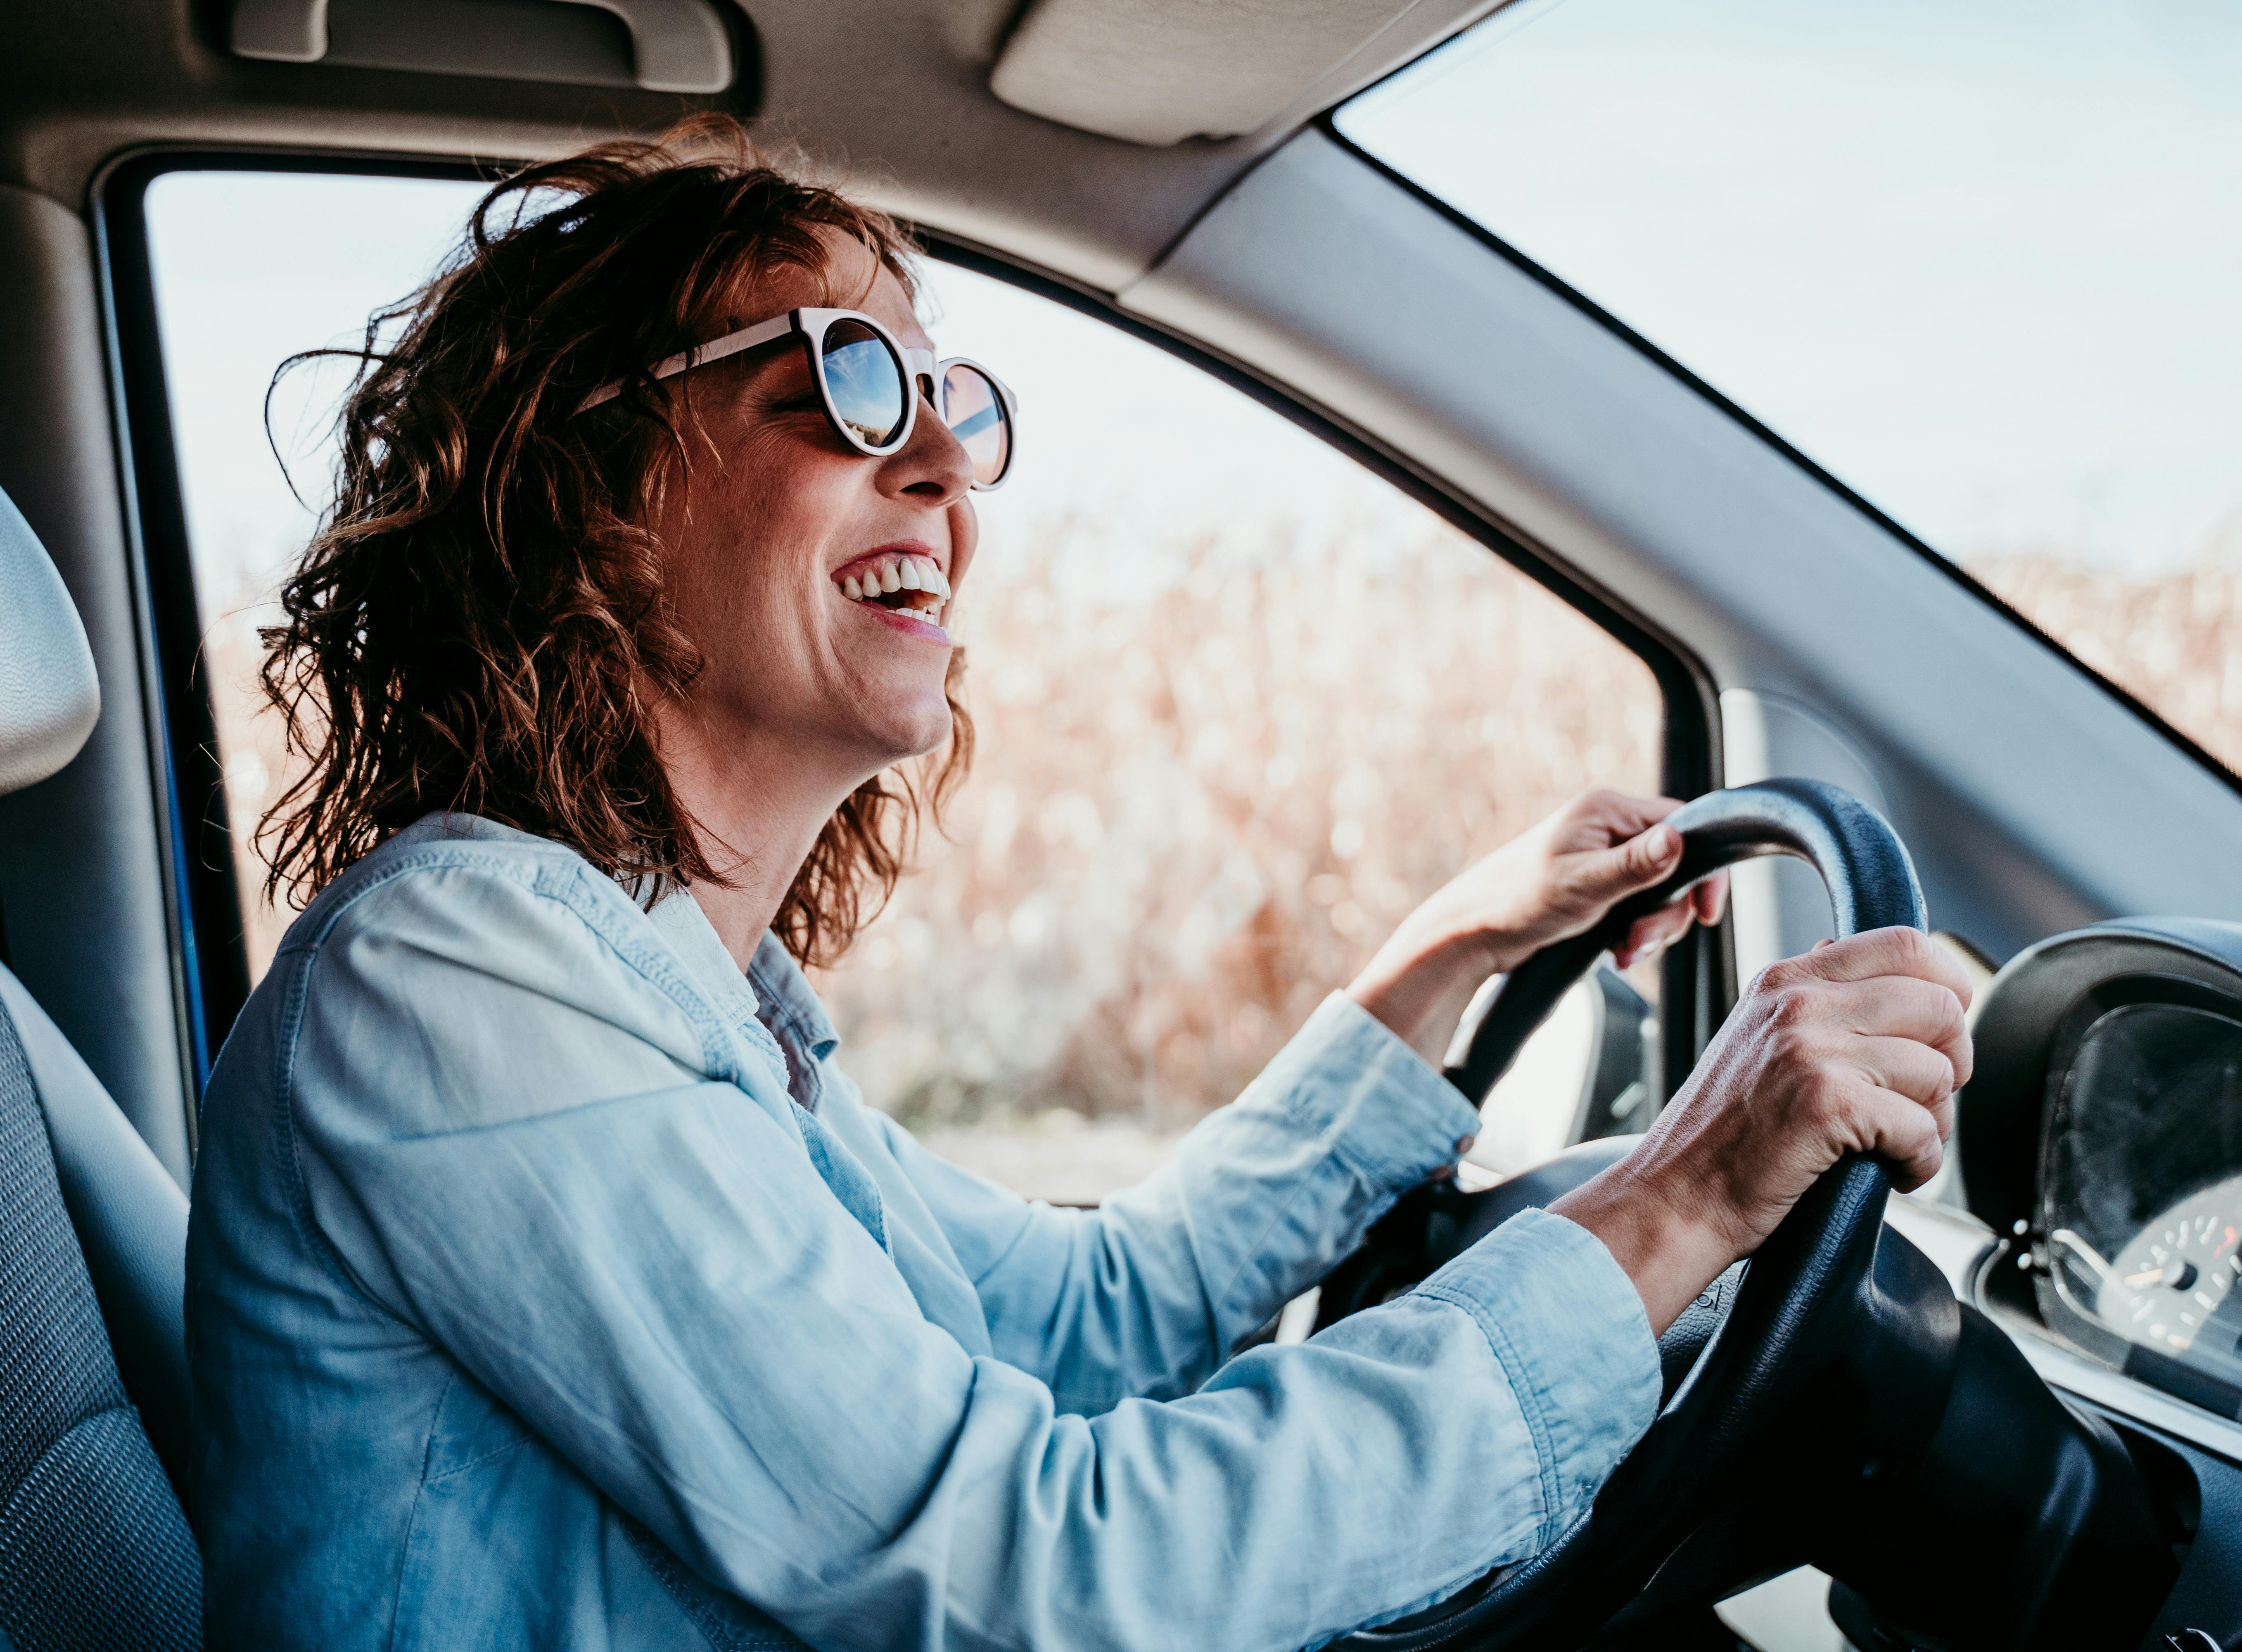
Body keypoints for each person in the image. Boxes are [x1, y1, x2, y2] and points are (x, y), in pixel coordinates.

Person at [185, 121, 1974, 1651]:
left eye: (950, 396)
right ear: (584, 486)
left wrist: (1449, 951)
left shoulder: (682, 992)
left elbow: (1083, 1318)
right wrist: (1674, 1202)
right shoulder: (454, 987)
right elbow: (1020, 1568)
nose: (948, 462)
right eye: (842, 374)